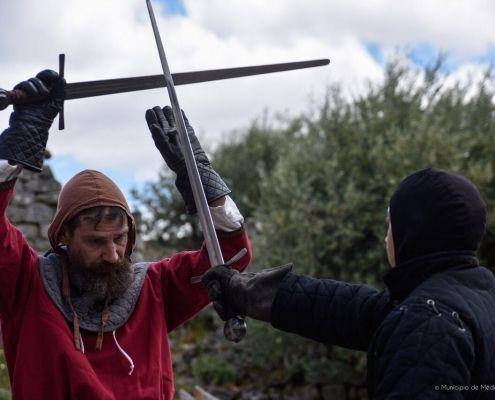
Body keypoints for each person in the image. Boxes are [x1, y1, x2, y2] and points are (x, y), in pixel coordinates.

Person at [0, 70, 251, 399]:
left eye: (119, 238)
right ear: (63, 237)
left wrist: (199, 177)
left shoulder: (155, 288)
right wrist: (20, 143)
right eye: (95, 241)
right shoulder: (25, 283)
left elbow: (231, 256)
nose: (113, 254)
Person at [203, 167, 495, 399]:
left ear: (413, 232)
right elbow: (349, 310)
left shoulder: (429, 322)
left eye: (391, 224)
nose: (386, 237)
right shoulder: (472, 296)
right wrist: (249, 291)